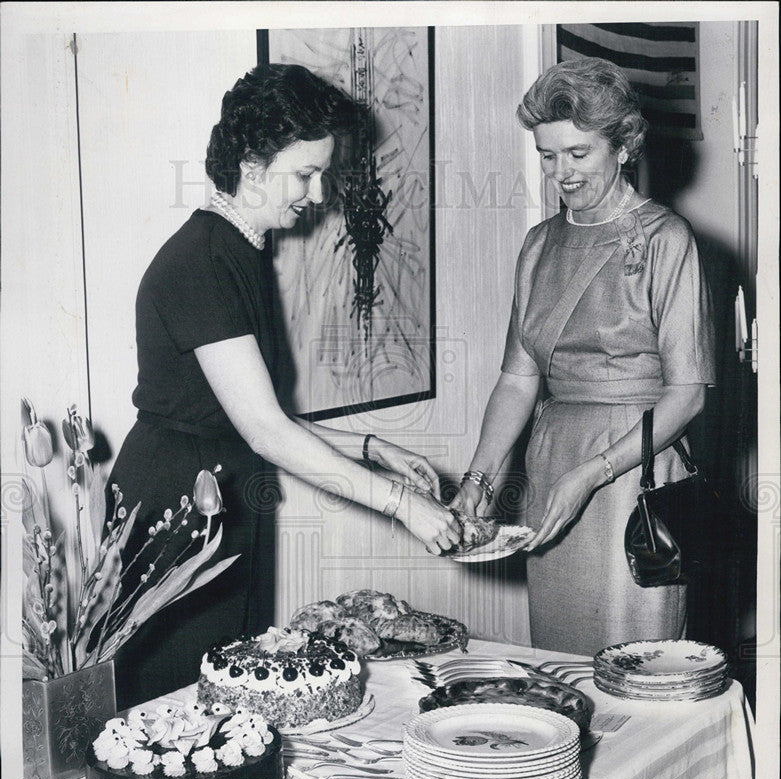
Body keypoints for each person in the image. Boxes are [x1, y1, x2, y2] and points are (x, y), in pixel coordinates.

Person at [110, 64, 459, 708]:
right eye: (305, 174)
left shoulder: (240, 251)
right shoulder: (204, 262)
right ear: (250, 166)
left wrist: (373, 445)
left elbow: (254, 415)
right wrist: (402, 505)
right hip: (176, 515)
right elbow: (266, 430)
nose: (319, 193)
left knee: (232, 706)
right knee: (185, 713)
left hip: (220, 497)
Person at [451, 57, 715, 657]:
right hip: (553, 464)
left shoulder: (665, 240)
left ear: (622, 146)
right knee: (562, 657)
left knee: (635, 660)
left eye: (578, 154)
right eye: (548, 155)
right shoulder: (539, 244)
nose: (560, 172)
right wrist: (479, 479)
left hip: (634, 470)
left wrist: (592, 473)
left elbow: (687, 394)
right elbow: (518, 380)